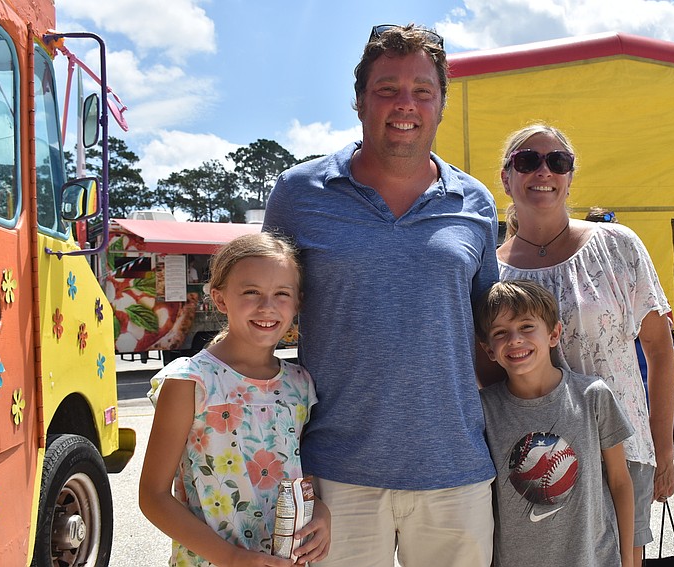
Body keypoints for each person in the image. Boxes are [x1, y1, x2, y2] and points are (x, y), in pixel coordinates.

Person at [263, 23, 499, 567]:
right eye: (387, 88)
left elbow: (490, 330)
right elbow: (263, 314)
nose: (405, 104)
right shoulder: (299, 194)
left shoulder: (476, 203)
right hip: (334, 474)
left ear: (441, 103)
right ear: (359, 100)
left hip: (455, 469)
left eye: (422, 90)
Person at [485, 122, 674, 567]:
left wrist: (663, 449)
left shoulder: (617, 246)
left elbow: (660, 351)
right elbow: (489, 370)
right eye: (527, 161)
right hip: (534, 455)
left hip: (621, 450)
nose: (543, 171)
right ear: (506, 177)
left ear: (570, 176)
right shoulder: (490, 271)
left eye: (557, 161)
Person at [138, 233, 330, 567]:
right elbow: (152, 497)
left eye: (281, 294)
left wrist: (322, 512)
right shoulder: (189, 381)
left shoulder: (301, 384)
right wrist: (231, 557)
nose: (267, 306)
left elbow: (302, 475)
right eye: (251, 292)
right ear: (220, 298)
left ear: (298, 302)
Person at [475, 279, 634, 567]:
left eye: (526, 327)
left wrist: (630, 560)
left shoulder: (592, 396)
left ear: (554, 334)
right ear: (488, 350)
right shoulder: (484, 410)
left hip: (594, 559)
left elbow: (620, 481)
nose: (515, 339)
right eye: (500, 332)